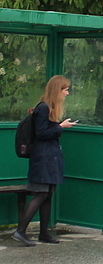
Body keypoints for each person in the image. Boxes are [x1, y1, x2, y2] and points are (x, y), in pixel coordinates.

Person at [13, 75, 76, 247]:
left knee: (47, 194)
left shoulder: (50, 108)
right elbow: (41, 133)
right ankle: (20, 231)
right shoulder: (43, 108)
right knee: (41, 194)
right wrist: (60, 127)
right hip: (43, 158)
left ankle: (44, 233)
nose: (67, 93)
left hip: (50, 157)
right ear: (57, 90)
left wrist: (58, 126)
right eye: (65, 90)